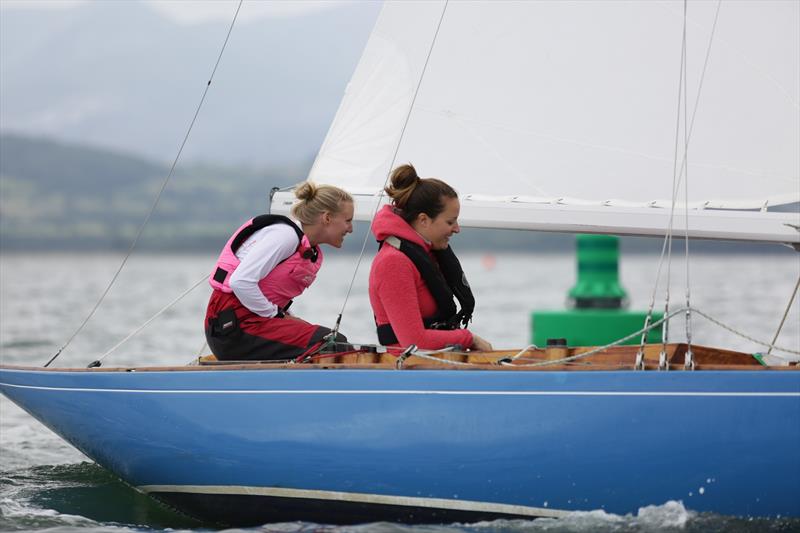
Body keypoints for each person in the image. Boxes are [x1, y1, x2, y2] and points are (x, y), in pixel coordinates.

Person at [204, 182, 353, 361]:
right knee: (333, 344)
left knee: (328, 339)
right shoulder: (286, 236)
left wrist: (286, 317)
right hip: (231, 329)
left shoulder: (306, 248)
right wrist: (277, 316)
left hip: (248, 324)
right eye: (348, 221)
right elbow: (240, 281)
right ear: (327, 218)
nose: (350, 229)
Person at [369, 164, 493, 352]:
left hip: (438, 363)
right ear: (424, 220)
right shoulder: (393, 262)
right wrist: (469, 338)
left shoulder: (426, 254)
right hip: (410, 371)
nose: (457, 229)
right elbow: (414, 341)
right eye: (450, 222)